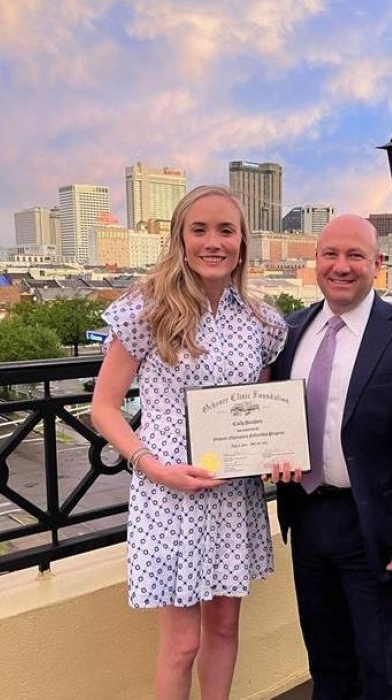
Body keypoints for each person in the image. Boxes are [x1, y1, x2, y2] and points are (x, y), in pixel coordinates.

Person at [91, 185, 292, 700]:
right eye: (199, 229)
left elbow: (262, 410)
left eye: (226, 230)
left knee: (224, 630)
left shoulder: (262, 322)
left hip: (230, 494)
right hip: (170, 496)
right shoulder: (146, 309)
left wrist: (274, 453)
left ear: (243, 242)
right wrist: (153, 467)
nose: (213, 242)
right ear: (180, 238)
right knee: (181, 645)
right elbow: (103, 407)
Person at [274, 214, 392, 699]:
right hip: (309, 518)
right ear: (314, 262)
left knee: (388, 672)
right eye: (330, 255)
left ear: (377, 264)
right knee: (328, 661)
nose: (341, 266)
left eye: (355, 255)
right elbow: (269, 418)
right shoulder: (290, 331)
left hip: (381, 530)